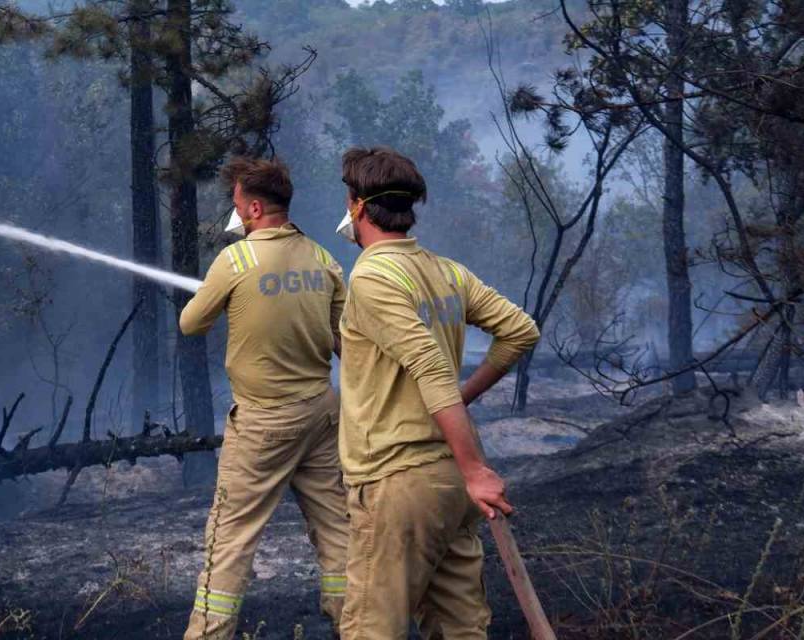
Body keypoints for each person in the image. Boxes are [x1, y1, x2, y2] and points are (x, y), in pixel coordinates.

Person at [332, 146, 540, 639]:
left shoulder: (372, 277)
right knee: (460, 628)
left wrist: (476, 469)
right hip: (448, 485)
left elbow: (429, 367)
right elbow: (521, 331)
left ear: (357, 204)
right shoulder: (447, 272)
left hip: (397, 482)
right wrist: (463, 402)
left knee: (371, 630)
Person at [179, 156, 350, 639]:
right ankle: (354, 622)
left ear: (253, 208)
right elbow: (346, 342)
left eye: (236, 205)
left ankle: (209, 633)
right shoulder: (323, 259)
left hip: (262, 424)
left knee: (230, 537)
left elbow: (191, 323)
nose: (235, 215)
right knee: (339, 527)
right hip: (320, 414)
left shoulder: (236, 260)